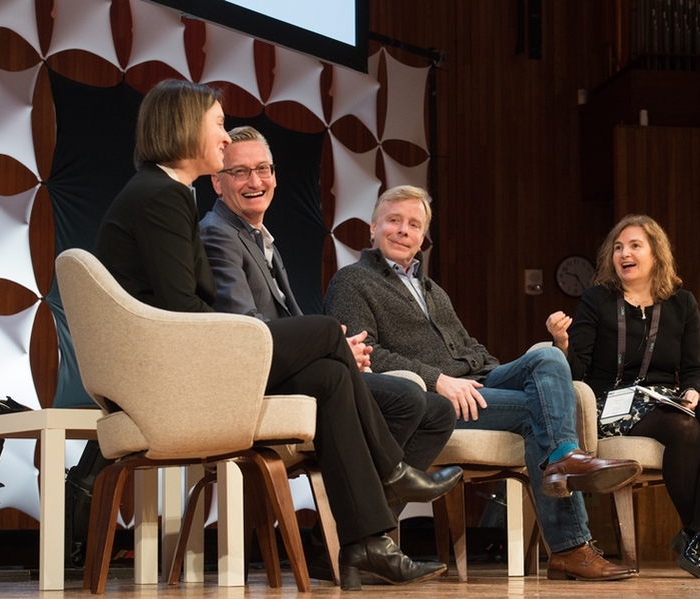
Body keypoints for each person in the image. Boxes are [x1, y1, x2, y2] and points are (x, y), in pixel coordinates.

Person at [94, 80, 462, 590]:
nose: (223, 138)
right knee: (329, 336)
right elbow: (182, 313)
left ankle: (366, 542)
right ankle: (392, 471)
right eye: (218, 124)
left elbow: (183, 306)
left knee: (333, 373)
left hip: (185, 357)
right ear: (183, 126)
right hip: (172, 376)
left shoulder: (166, 193)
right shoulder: (163, 196)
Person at [323, 185, 643, 581]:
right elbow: (363, 352)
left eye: (414, 225)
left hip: (474, 383)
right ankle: (570, 545)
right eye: (394, 221)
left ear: (424, 238)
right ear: (373, 227)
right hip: (429, 400)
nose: (403, 231)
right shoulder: (352, 281)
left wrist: (489, 371)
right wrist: (437, 380)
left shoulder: (431, 289)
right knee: (538, 415)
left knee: (547, 355)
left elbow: (467, 345)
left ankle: (564, 456)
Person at [199, 125, 456, 497]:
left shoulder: (258, 237)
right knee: (407, 399)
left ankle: (369, 527)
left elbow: (291, 323)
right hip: (261, 380)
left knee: (438, 413)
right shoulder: (219, 234)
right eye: (240, 172)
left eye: (264, 169)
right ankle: (364, 516)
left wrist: (341, 348)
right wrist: (328, 348)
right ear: (217, 182)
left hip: (295, 369)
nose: (255, 181)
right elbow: (247, 331)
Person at [546, 213, 700, 579]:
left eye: (635, 246)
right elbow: (575, 373)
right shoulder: (596, 300)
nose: (624, 254)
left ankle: (695, 537)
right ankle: (699, 537)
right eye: (618, 247)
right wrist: (562, 342)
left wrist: (694, 393)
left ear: (655, 255)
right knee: (686, 430)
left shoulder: (683, 304)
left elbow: (697, 368)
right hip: (611, 402)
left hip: (666, 397)